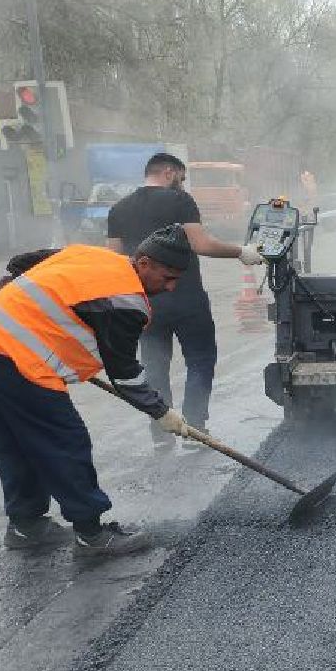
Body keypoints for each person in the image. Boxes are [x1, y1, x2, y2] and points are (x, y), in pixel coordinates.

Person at [0, 229, 198, 557]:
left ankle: (26, 525)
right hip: (20, 360)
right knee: (64, 441)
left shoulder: (94, 256)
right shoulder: (127, 300)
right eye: (168, 277)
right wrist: (162, 412)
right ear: (144, 263)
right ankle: (91, 535)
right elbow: (124, 374)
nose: (171, 287)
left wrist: (12, 281)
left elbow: (26, 261)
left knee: (14, 440)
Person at [106, 153, 263, 450]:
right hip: (186, 298)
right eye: (181, 175)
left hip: (144, 302)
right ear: (168, 172)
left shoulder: (118, 209)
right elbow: (200, 243)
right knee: (201, 360)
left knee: (154, 365)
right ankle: (194, 431)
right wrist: (240, 252)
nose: (183, 182)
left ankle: (161, 433)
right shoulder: (180, 201)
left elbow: (113, 259)